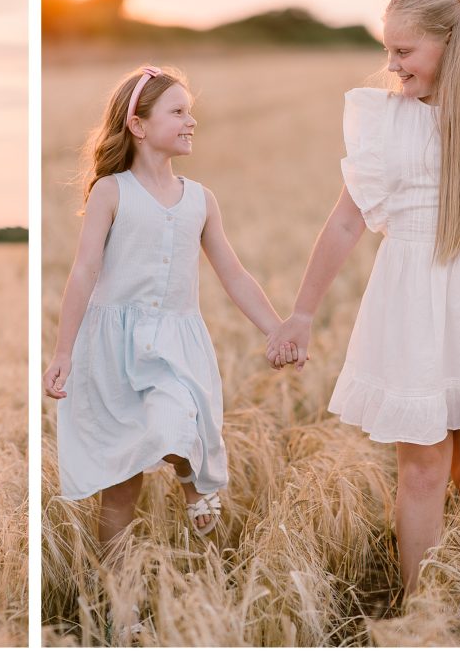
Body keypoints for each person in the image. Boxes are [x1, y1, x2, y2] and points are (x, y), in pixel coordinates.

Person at [267, 0, 460, 595]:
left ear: (450, 43)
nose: (391, 65)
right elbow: (344, 220)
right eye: (389, 51)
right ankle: (421, 607)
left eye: (404, 51)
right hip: (410, 296)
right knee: (420, 466)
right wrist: (302, 314)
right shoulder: (383, 121)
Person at [44, 65, 289, 547]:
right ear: (138, 125)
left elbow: (234, 274)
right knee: (120, 488)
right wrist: (62, 353)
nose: (191, 121)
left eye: (190, 112)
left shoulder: (200, 199)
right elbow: (82, 273)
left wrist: (275, 329)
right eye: (177, 112)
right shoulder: (111, 193)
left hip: (176, 343)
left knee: (178, 424)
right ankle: (121, 610)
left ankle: (193, 486)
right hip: (111, 352)